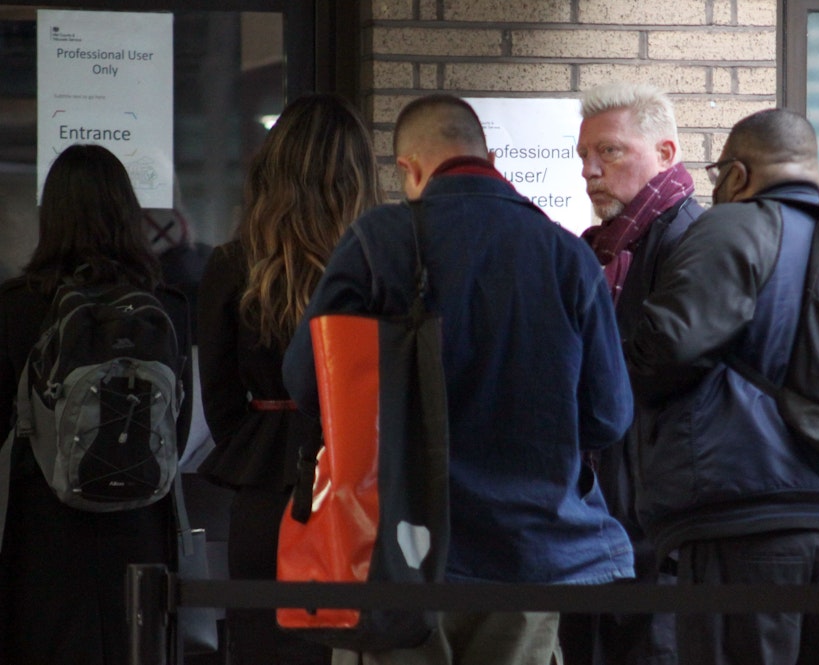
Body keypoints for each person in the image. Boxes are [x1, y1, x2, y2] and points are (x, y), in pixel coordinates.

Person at [282, 93, 636, 665]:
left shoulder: (379, 243)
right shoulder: (567, 256)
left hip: (399, 552)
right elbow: (608, 416)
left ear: (409, 168)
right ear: (488, 156)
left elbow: (306, 382)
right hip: (528, 552)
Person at [625, 108, 819, 665]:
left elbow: (661, 355)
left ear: (739, 175)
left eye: (718, 173)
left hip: (744, 525)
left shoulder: (730, 228)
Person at [196, 93, 382, 665]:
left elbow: (222, 403)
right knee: (359, 638)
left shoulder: (232, 264)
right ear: (355, 175)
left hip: (266, 484)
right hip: (364, 479)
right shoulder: (383, 264)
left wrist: (260, 438)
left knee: (263, 639)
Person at [0, 143, 193, 665]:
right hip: (141, 534)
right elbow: (181, 420)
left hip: (43, 538)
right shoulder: (167, 311)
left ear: (52, 216)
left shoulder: (16, 308)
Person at [560, 82, 705, 665]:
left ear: (666, 153)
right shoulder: (599, 251)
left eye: (610, 152)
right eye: (582, 157)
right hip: (599, 528)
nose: (590, 171)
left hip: (657, 537)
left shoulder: (692, 243)